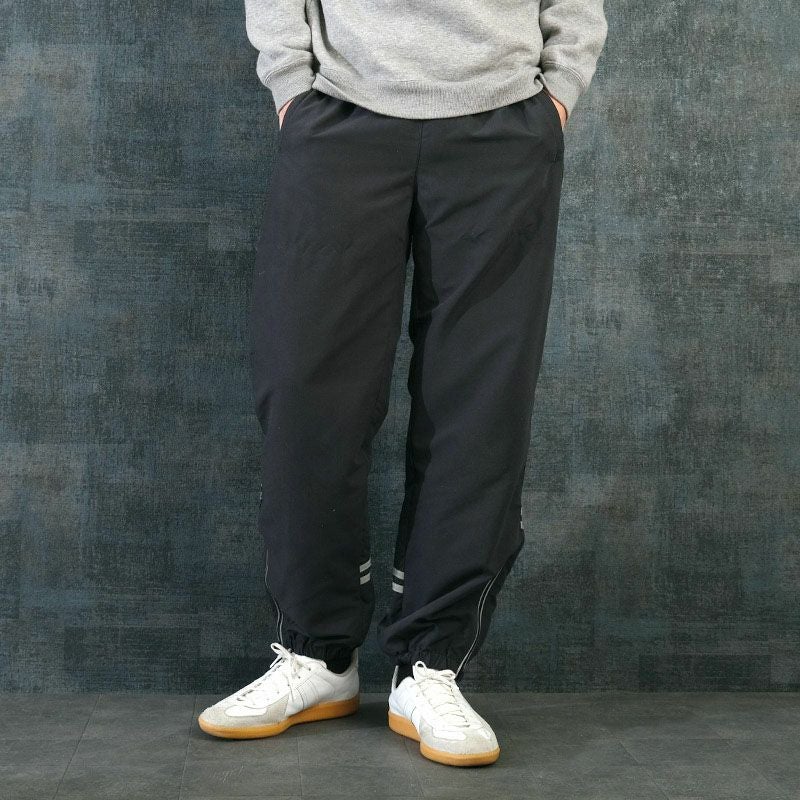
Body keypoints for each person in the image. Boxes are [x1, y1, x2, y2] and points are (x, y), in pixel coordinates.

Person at [198, 0, 607, 767]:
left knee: (477, 402)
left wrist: (558, 91)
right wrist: (290, 83)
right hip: (339, 112)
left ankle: (430, 664)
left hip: (502, 121)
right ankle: (317, 654)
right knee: (305, 391)